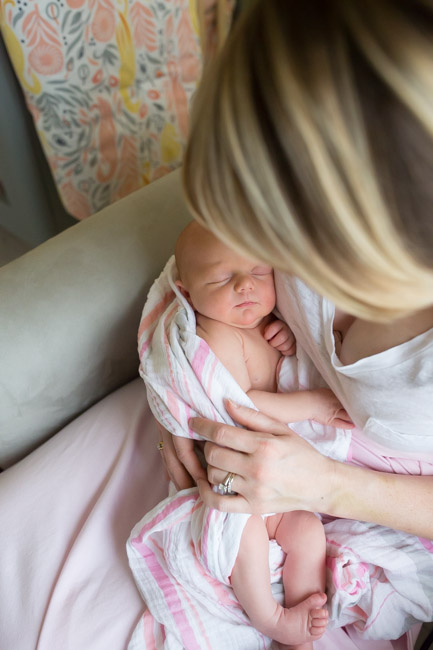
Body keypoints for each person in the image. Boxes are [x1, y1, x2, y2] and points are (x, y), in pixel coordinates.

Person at [156, 0, 433, 645]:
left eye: (272, 237)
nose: (262, 267)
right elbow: (198, 283)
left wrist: (331, 485)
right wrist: (183, 397)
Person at [173, 220, 354, 649]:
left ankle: (302, 602)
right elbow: (241, 406)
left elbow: (283, 367)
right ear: (185, 291)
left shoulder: (262, 322)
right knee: (246, 537)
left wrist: (287, 337)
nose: (244, 286)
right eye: (220, 277)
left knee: (308, 531)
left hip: (274, 479)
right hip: (233, 480)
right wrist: (314, 404)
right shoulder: (212, 333)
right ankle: (271, 618)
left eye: (258, 272)